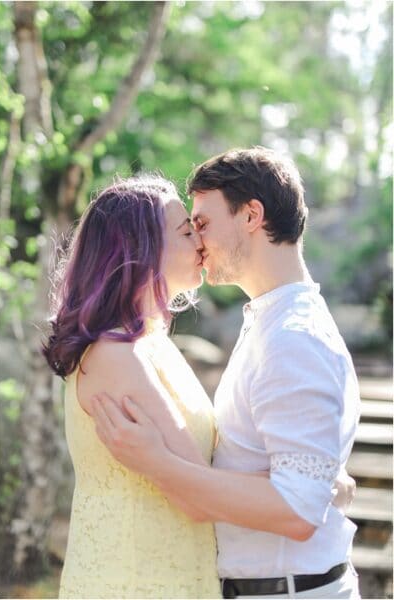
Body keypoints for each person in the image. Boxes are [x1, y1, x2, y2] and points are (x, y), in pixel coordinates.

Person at [89, 148, 361, 598]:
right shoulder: (270, 321)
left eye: (204, 223)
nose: (198, 241)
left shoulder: (293, 338)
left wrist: (157, 462)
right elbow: (295, 483)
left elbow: (295, 510)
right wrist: (322, 483)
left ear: (251, 215)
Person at [43, 174, 222, 598]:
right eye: (185, 231)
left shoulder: (150, 344)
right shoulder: (114, 356)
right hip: (133, 579)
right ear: (141, 251)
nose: (200, 242)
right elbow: (199, 497)